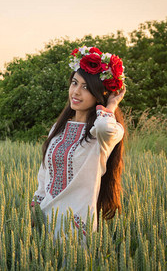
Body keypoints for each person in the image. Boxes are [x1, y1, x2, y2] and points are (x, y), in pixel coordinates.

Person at [30, 45, 126, 240]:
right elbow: (44, 174)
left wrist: (112, 104)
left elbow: (103, 127)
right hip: (46, 218)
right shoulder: (59, 128)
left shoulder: (105, 133)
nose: (76, 92)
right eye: (74, 83)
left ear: (99, 94)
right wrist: (34, 208)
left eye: (86, 88)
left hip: (76, 225)